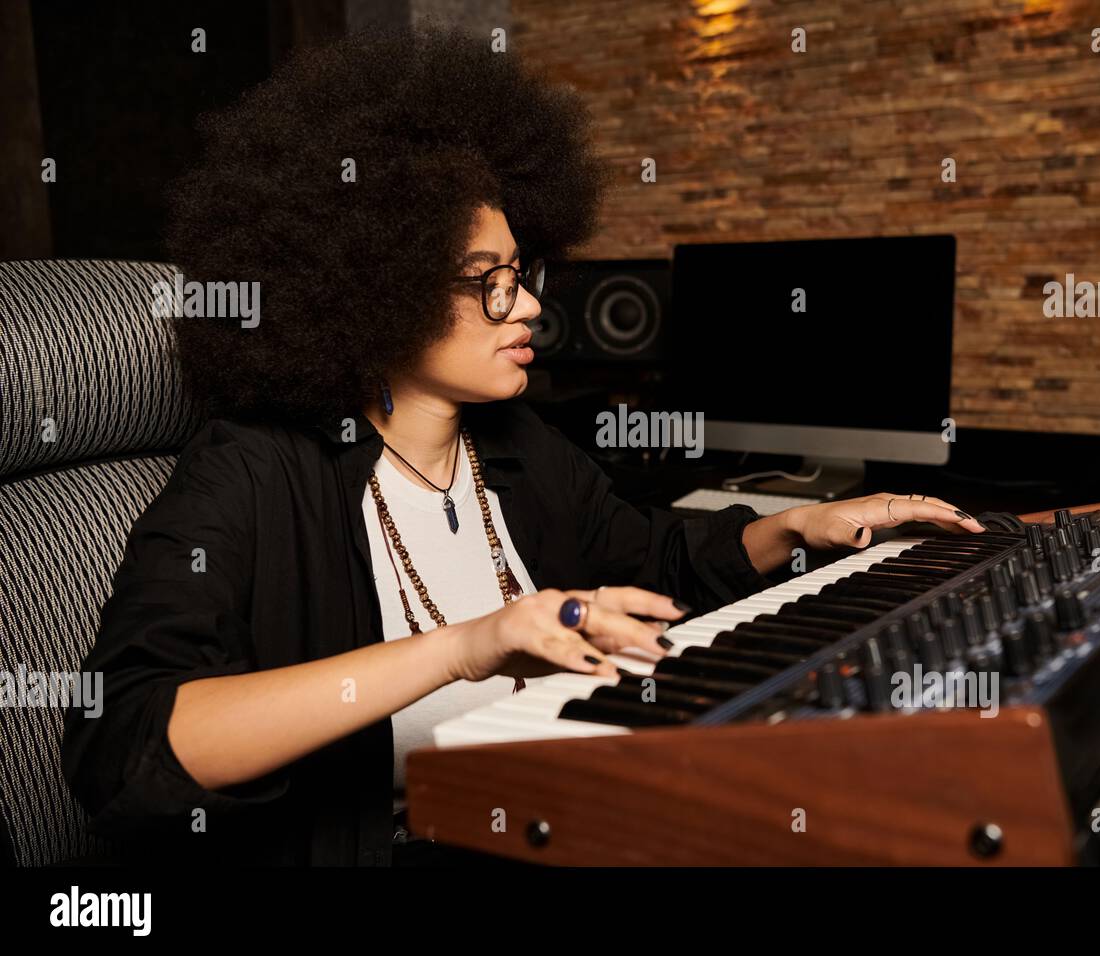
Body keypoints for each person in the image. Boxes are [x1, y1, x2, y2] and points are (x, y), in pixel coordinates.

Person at [62, 28, 983, 865]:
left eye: (522, 274)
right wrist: (468, 647)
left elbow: (659, 556)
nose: (531, 306)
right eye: (485, 282)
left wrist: (808, 525)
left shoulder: (517, 448)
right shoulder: (255, 470)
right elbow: (127, 747)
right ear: (371, 293)